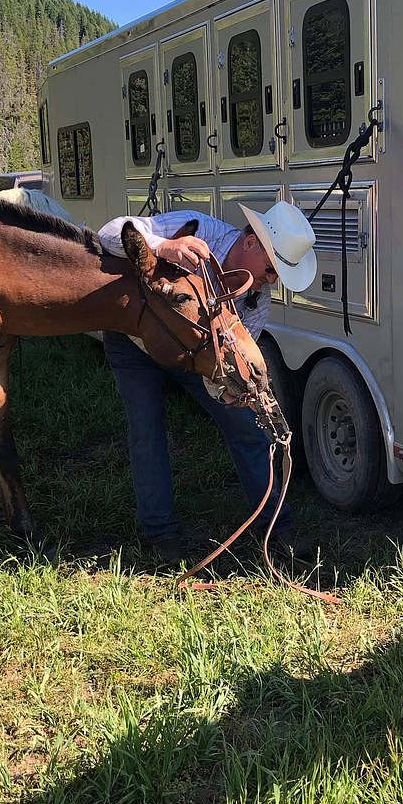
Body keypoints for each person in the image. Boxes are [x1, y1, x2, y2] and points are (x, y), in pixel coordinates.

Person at [98, 201, 317, 565]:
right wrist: (163, 246)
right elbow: (108, 233)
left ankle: (278, 528)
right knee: (147, 431)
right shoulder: (200, 230)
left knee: (248, 430)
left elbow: (235, 356)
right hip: (134, 345)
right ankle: (161, 534)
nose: (271, 280)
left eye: (278, 275)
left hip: (195, 356)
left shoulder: (256, 300)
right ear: (251, 243)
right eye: (271, 268)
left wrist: (232, 390)